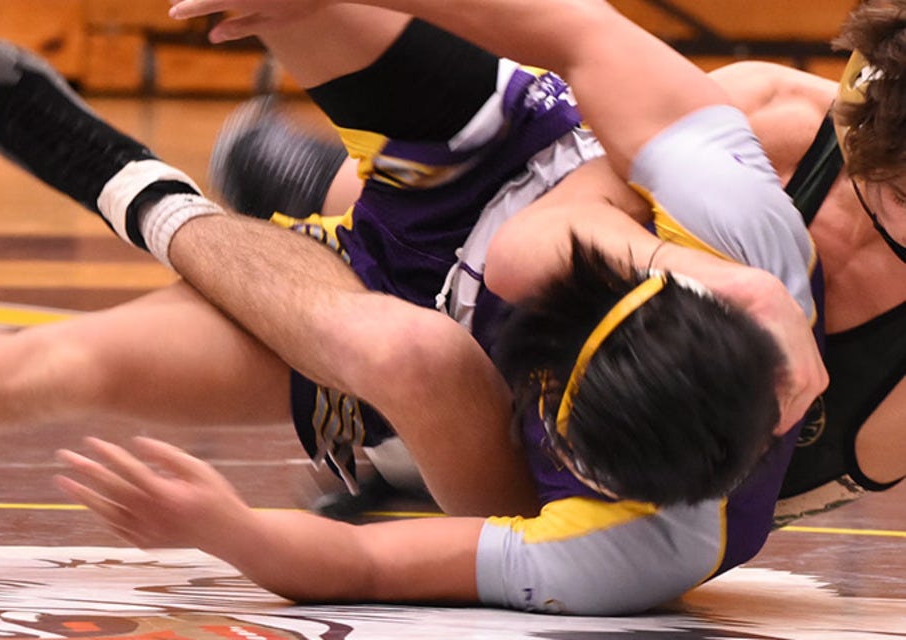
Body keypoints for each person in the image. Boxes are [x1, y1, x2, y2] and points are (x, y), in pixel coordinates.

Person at [0, 0, 822, 615]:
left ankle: (135, 193)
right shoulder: (744, 240)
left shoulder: (635, 553)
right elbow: (578, 30)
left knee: (78, 365)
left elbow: (374, 562)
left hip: (402, 342)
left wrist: (228, 528)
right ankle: (255, 184)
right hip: (503, 175)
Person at [203, 1, 906, 524]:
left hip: (645, 484)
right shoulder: (774, 116)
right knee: (480, 198)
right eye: (891, 185)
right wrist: (734, 285)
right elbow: (538, 238)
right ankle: (317, 185)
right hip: (504, 297)